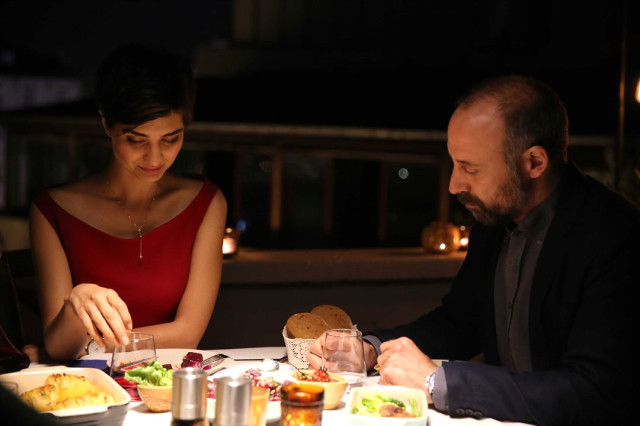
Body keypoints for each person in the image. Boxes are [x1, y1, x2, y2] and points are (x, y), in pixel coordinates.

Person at [308, 76, 639, 425]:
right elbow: (460, 322)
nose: (454, 185)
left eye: (470, 168)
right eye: (454, 163)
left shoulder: (615, 235)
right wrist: (370, 349)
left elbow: (593, 392)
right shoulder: (495, 220)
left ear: (534, 163)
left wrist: (437, 383)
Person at [29, 43, 227, 361]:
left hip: (167, 381)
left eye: (170, 139)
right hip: (90, 384)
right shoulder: (52, 210)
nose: (154, 158)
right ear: (106, 123)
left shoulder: (205, 204)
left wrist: (91, 345)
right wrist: (76, 301)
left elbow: (187, 334)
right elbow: (59, 347)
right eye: (136, 140)